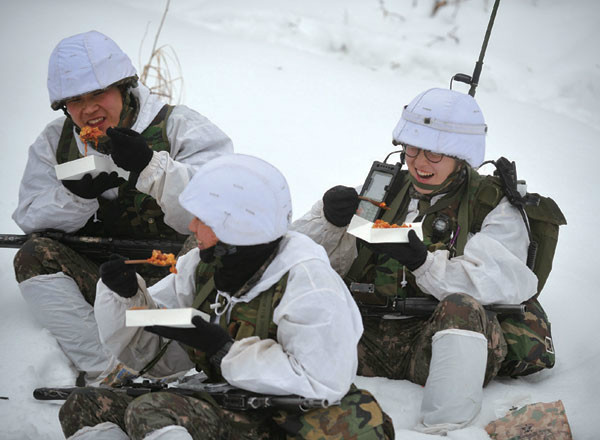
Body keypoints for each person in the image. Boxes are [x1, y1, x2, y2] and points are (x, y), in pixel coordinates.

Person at [58, 154, 394, 440]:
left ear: (238, 227)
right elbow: (151, 357)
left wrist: (223, 350)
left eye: (203, 219)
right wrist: (130, 298)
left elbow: (322, 380)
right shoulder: (203, 269)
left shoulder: (308, 283)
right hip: (226, 403)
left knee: (151, 412)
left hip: (286, 422)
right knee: (86, 404)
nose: (191, 227)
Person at [292, 87, 561, 434]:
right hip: (365, 337)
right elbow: (302, 263)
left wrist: (423, 262)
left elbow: (502, 283)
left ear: (460, 155)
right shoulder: (386, 190)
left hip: (434, 347)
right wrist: (329, 221)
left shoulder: (493, 205)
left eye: (434, 153)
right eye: (413, 149)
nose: (419, 162)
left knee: (462, 307)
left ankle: (446, 427)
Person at [11, 30, 233, 384]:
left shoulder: (179, 128)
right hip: (106, 284)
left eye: (98, 93)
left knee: (214, 251)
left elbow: (220, 210)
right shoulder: (55, 143)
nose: (88, 109)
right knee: (33, 255)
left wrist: (151, 167)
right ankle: (107, 369)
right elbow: (29, 217)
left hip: (175, 284)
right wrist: (75, 198)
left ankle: (188, 362)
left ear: (124, 88)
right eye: (75, 100)